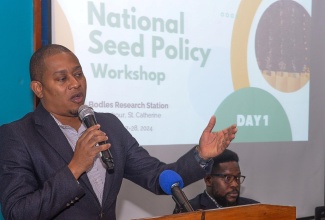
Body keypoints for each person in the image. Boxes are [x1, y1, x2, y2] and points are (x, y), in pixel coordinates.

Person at [0, 44, 237, 220]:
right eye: (62, 78)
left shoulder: (108, 125)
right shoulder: (18, 136)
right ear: (38, 88)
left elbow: (157, 177)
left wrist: (202, 155)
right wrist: (75, 168)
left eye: (79, 74)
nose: (75, 83)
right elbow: (17, 212)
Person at [174, 149, 259, 213]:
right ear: (208, 180)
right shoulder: (189, 210)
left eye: (237, 177)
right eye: (228, 178)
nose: (235, 184)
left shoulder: (254, 208)